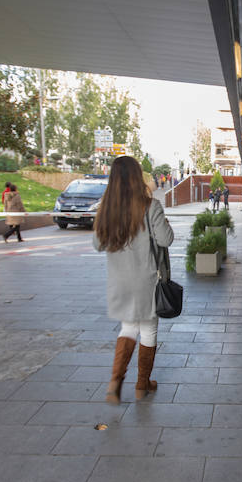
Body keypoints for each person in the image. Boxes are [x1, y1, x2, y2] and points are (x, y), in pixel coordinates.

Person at [92, 156, 174, 404]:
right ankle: (142, 385)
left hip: (119, 281)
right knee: (148, 329)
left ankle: (115, 381)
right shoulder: (150, 206)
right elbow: (166, 239)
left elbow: (97, 244)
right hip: (146, 279)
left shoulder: (106, 209)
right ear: (137, 177)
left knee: (128, 328)